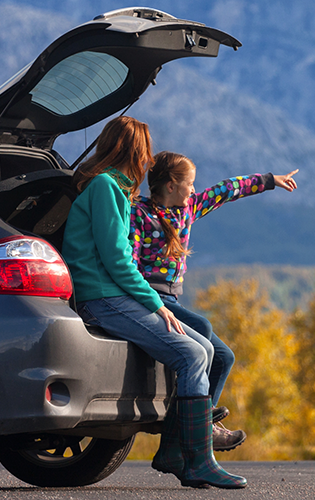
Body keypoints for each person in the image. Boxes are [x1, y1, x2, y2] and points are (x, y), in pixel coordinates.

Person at [60, 116, 246, 490]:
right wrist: (156, 305)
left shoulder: (113, 189)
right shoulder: (105, 188)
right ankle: (198, 461)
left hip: (113, 294)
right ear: (134, 151)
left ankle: (177, 453)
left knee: (206, 349)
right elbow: (117, 260)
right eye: (145, 151)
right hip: (103, 298)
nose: (148, 161)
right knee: (192, 354)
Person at [130, 152, 298, 447]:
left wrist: (270, 180)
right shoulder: (139, 214)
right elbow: (129, 263)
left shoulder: (188, 209)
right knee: (203, 327)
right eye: (190, 183)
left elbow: (227, 189)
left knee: (224, 357)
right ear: (171, 185)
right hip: (152, 298)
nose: (194, 189)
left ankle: (201, 418)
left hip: (173, 299)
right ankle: (196, 426)